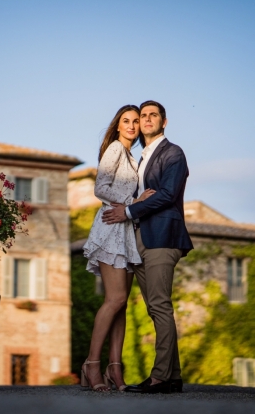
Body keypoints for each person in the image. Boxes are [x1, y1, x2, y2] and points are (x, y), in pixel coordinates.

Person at [102, 100, 193, 394]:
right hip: (141, 238)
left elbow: (167, 194)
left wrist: (127, 212)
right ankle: (173, 376)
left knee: (159, 306)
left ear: (164, 122)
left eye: (154, 115)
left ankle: (160, 377)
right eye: (143, 116)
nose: (147, 119)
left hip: (163, 236)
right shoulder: (140, 157)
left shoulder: (172, 153)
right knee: (157, 309)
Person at [81, 105, 156, 392]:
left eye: (136, 121)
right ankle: (91, 365)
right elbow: (101, 187)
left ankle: (115, 368)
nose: (132, 125)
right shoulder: (114, 148)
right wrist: (133, 203)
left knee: (121, 304)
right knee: (115, 299)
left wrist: (132, 205)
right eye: (126, 121)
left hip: (125, 230)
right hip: (111, 229)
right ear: (117, 125)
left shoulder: (131, 156)